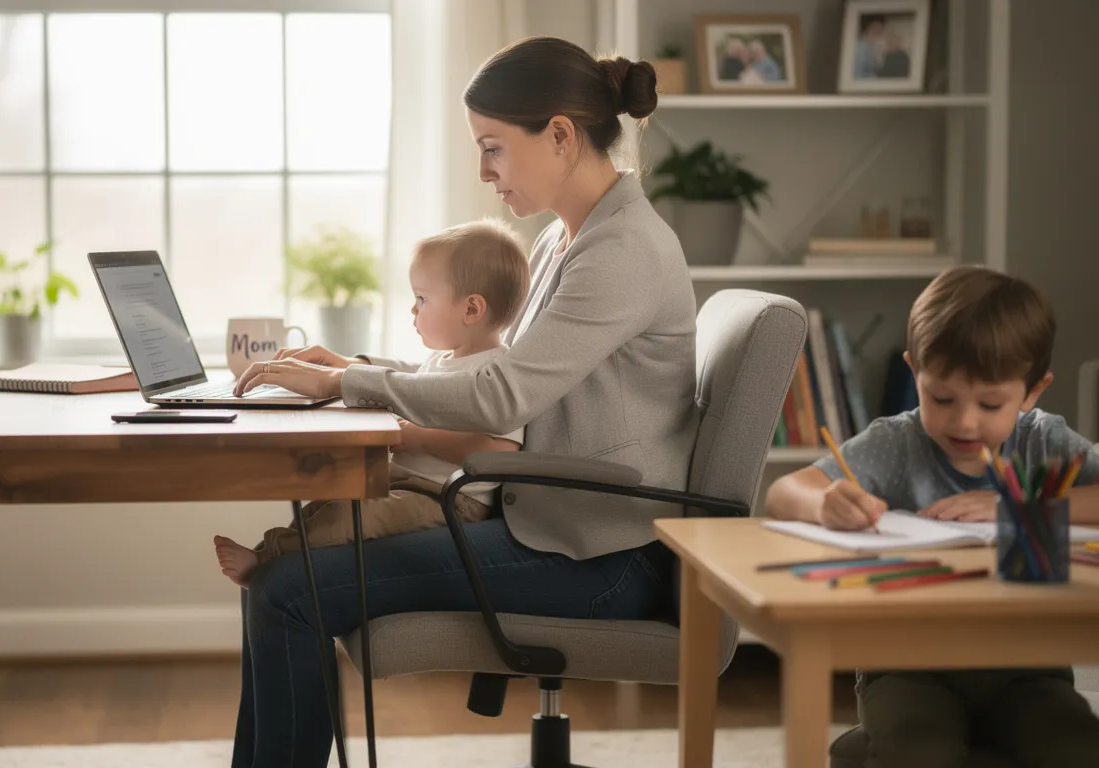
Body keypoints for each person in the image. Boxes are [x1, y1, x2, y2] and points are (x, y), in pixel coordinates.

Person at [226, 35, 698, 768]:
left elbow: (501, 394)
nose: (484, 173)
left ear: (562, 136)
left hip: (598, 556)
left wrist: (346, 384)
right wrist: (353, 365)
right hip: (549, 527)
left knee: (288, 591)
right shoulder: (563, 242)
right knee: (282, 587)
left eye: (494, 148)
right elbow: (489, 367)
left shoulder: (624, 250)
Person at [764, 266, 1099, 768]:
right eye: (941, 398)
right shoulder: (897, 443)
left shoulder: (1042, 442)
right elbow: (785, 491)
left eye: (990, 403)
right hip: (907, 667)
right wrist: (824, 500)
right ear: (913, 370)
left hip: (1028, 670)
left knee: (1076, 746)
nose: (964, 421)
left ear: (1031, 392)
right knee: (916, 750)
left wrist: (1023, 509)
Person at [213, 219, 530, 586]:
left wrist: (417, 437)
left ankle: (268, 559)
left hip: (452, 498)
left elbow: (498, 454)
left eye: (422, 299)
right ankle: (272, 554)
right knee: (329, 499)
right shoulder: (443, 361)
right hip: (411, 480)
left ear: (472, 310)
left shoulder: (496, 372)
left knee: (350, 519)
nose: (414, 311)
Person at [854, 15, 887, 79]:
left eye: (880, 31)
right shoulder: (858, 46)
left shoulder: (873, 47)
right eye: (874, 29)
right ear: (867, 28)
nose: (877, 34)